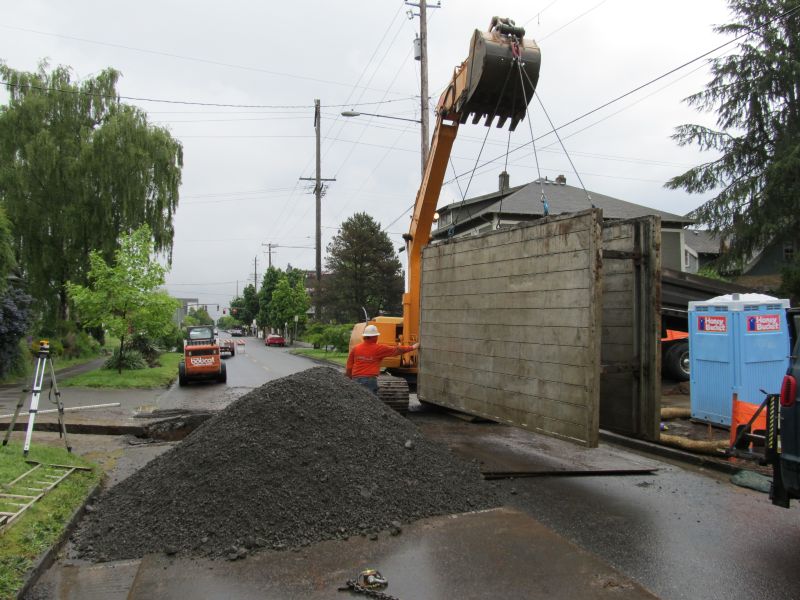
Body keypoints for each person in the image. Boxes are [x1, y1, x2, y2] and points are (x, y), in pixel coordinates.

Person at [346, 325, 419, 395]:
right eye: (377, 336)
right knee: (371, 402)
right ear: (374, 337)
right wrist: (412, 347)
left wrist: (349, 378)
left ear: (364, 336)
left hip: (355, 379)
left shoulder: (356, 348)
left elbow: (349, 366)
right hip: (369, 381)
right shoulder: (378, 348)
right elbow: (396, 350)